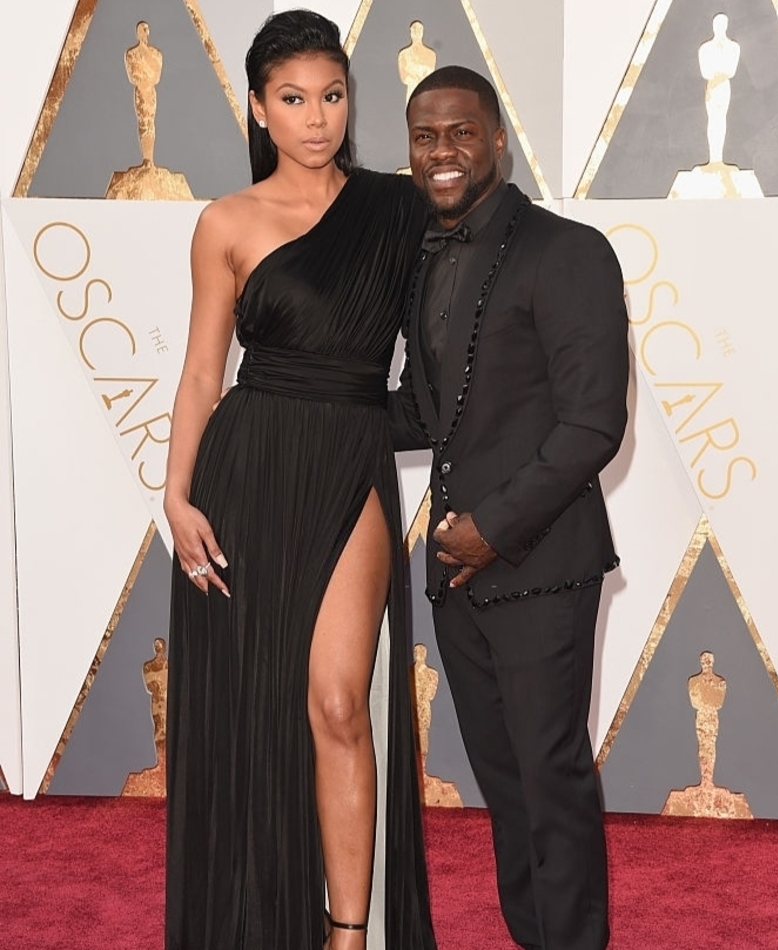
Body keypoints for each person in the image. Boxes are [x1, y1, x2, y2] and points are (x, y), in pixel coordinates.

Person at [163, 11, 436, 950]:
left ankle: (347, 933)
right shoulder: (227, 222)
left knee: (336, 700)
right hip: (246, 467)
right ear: (259, 108)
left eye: (331, 95)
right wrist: (177, 494)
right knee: (251, 713)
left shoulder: (398, 209)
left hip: (348, 460)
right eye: (294, 99)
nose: (317, 118)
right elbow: (204, 372)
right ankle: (250, 916)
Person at [389, 66, 630, 950]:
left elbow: (594, 420)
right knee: (502, 780)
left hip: (542, 563)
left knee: (551, 776)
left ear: (497, 139)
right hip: (457, 573)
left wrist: (494, 526)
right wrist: (304, 412)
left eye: (460, 132)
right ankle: (533, 935)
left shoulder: (568, 251)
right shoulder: (423, 258)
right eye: (425, 136)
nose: (442, 151)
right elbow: (423, 409)